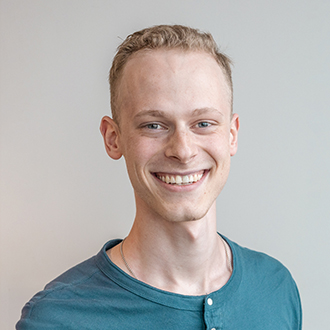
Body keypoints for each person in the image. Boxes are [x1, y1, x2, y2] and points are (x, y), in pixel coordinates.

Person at [16, 25, 302, 330]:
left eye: (203, 123)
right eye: (154, 125)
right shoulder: (57, 319)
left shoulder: (276, 288)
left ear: (231, 135)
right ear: (114, 138)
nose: (183, 150)